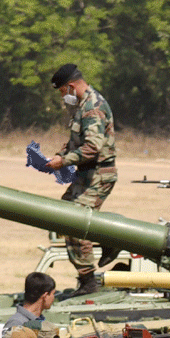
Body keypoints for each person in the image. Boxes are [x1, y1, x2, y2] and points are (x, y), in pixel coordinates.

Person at [45, 64, 118, 294]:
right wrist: (60, 154)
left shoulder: (92, 108)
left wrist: (63, 162)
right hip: (87, 174)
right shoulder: (82, 105)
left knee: (75, 222)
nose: (62, 97)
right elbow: (77, 141)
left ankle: (88, 281)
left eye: (62, 92)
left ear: (71, 86)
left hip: (99, 174)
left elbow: (92, 148)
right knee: (64, 214)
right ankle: (108, 239)